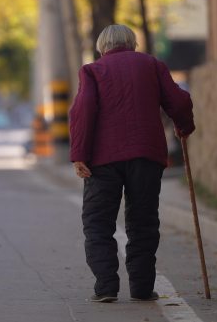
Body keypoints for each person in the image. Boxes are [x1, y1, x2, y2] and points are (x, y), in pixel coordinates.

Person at [69, 24, 195, 303]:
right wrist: (184, 126)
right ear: (133, 43)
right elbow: (178, 100)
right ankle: (141, 288)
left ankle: (105, 287)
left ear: (102, 48)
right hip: (146, 155)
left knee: (98, 223)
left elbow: (84, 109)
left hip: (102, 160)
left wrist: (80, 154)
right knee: (143, 221)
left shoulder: (92, 71)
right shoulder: (152, 64)